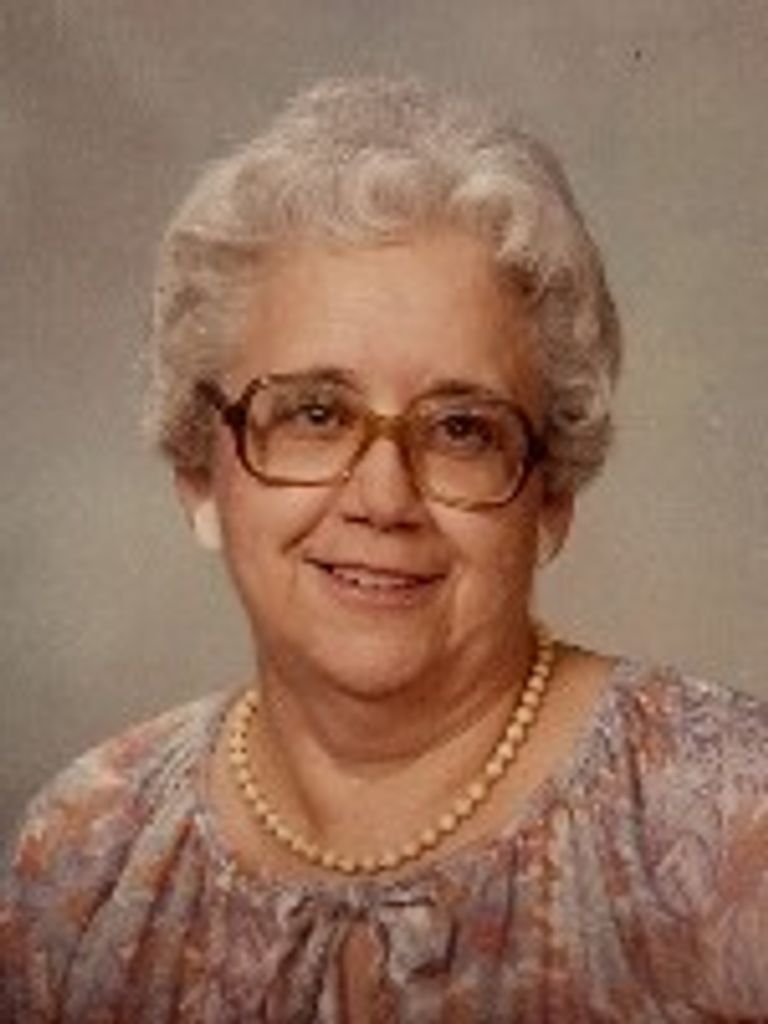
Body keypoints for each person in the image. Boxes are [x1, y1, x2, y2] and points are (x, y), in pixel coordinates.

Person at [1, 77, 766, 1023]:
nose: (384, 498)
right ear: (200, 474)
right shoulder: (87, 853)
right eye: (315, 414)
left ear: (551, 496)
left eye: (461, 429)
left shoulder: (732, 823)